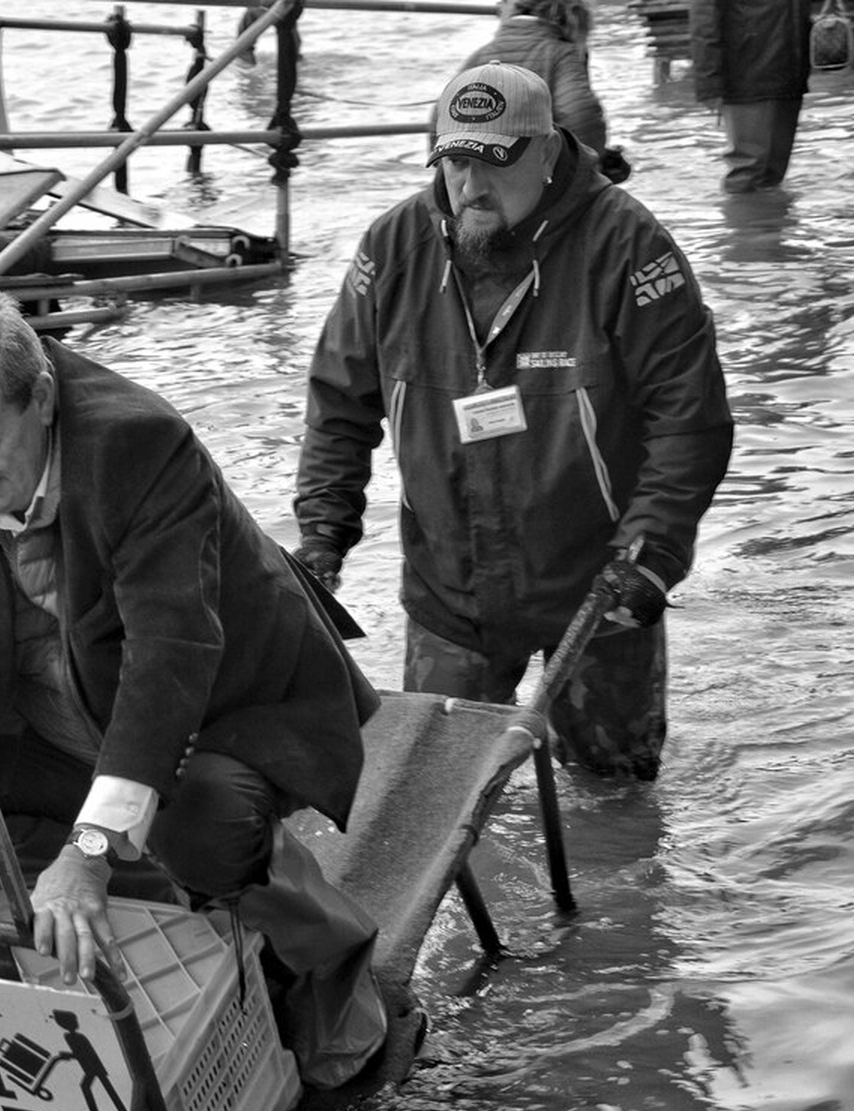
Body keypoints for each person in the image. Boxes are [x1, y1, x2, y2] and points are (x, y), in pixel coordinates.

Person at [0, 290, 390, 1090]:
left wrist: (92, 847)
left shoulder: (140, 441)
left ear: (44, 398)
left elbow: (171, 653)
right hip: (54, 702)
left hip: (229, 700)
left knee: (203, 821)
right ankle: (49, 948)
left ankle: (328, 971)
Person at [292, 63, 733, 781]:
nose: (470, 187)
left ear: (549, 149)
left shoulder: (629, 246)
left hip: (596, 589)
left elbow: (691, 420)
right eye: (454, 162)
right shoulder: (392, 246)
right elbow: (339, 399)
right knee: (430, 793)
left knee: (617, 790)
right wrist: (322, 534)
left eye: (493, 165)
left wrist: (650, 554)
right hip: (447, 589)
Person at [460, 0, 628, 182]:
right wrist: (591, 168)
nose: (499, 6)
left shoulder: (478, 57)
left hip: (478, 180)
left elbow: (441, 120)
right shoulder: (561, 53)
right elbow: (581, 118)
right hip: (538, 181)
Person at [688, 0, 810, 193]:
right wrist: (709, 83)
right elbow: (703, 19)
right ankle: (744, 220)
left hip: (789, 74)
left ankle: (767, 221)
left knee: (771, 174)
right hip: (747, 76)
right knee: (748, 172)